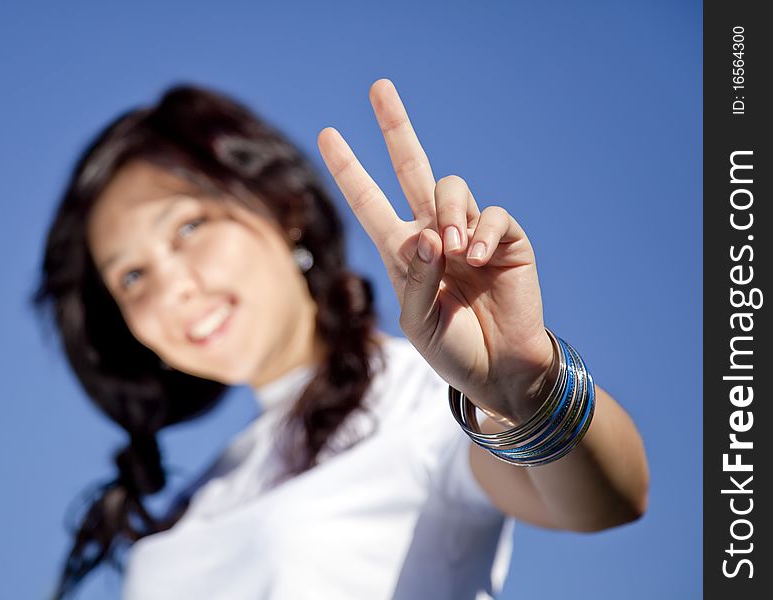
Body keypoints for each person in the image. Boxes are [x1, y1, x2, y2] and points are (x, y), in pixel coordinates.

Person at [32, 79, 649, 599]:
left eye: (189, 227)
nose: (172, 290)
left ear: (284, 210)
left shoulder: (425, 397)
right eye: (132, 276)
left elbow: (606, 501)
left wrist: (527, 387)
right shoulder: (194, 507)